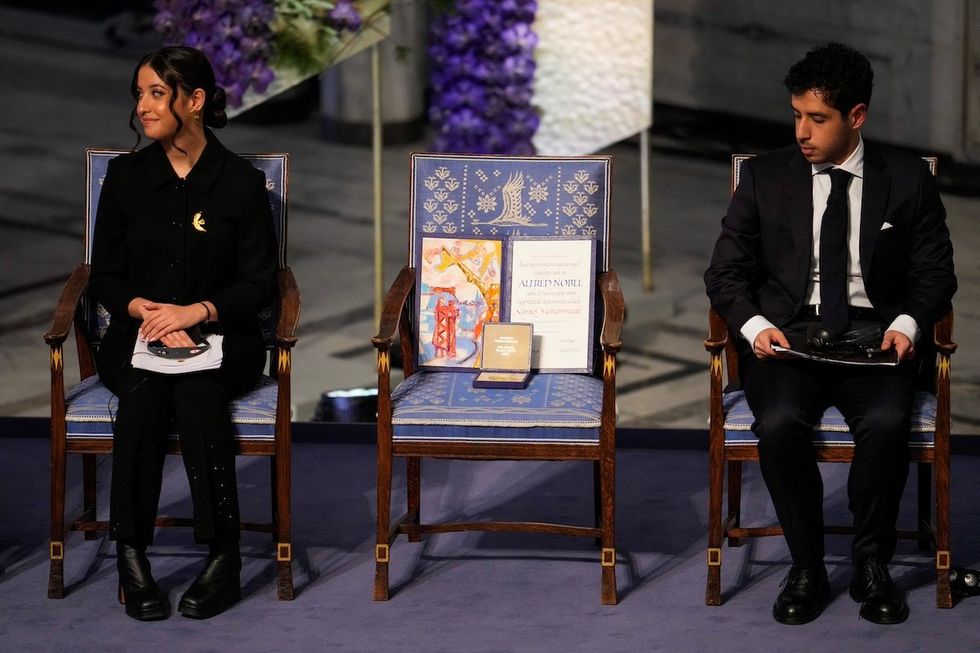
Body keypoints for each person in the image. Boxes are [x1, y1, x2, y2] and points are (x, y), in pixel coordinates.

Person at [704, 43, 956, 625]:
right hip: (788, 337)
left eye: (817, 118)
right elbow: (725, 272)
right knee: (779, 422)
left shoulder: (908, 180)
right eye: (796, 115)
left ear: (857, 116)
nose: (801, 131)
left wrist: (908, 324)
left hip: (874, 337)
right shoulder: (766, 177)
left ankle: (872, 564)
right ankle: (807, 565)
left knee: (888, 423)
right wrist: (755, 325)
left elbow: (935, 273)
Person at [90, 46, 278, 621]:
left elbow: (261, 284)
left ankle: (224, 558)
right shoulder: (126, 177)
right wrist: (137, 306)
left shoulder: (241, 184)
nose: (143, 106)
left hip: (225, 339)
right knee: (145, 395)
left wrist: (198, 311)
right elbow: (104, 275)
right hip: (140, 336)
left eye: (156, 93)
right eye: (139, 94)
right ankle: (131, 554)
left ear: (194, 101)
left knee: (197, 392)